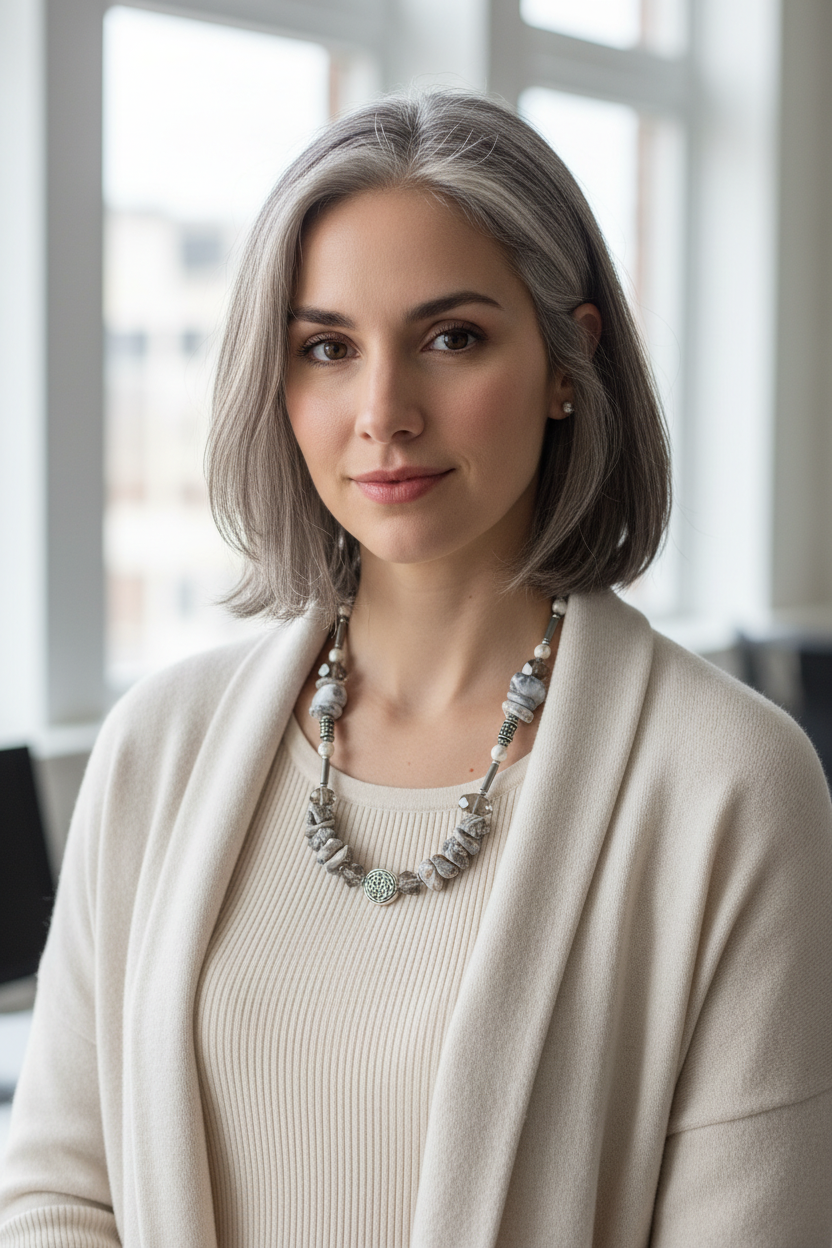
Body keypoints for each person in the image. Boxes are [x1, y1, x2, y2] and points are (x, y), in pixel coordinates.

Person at [1, 90, 830, 1248]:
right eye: (327, 348)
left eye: (452, 338)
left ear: (569, 360)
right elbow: (57, 1194)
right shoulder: (157, 749)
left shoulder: (730, 784)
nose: (383, 412)